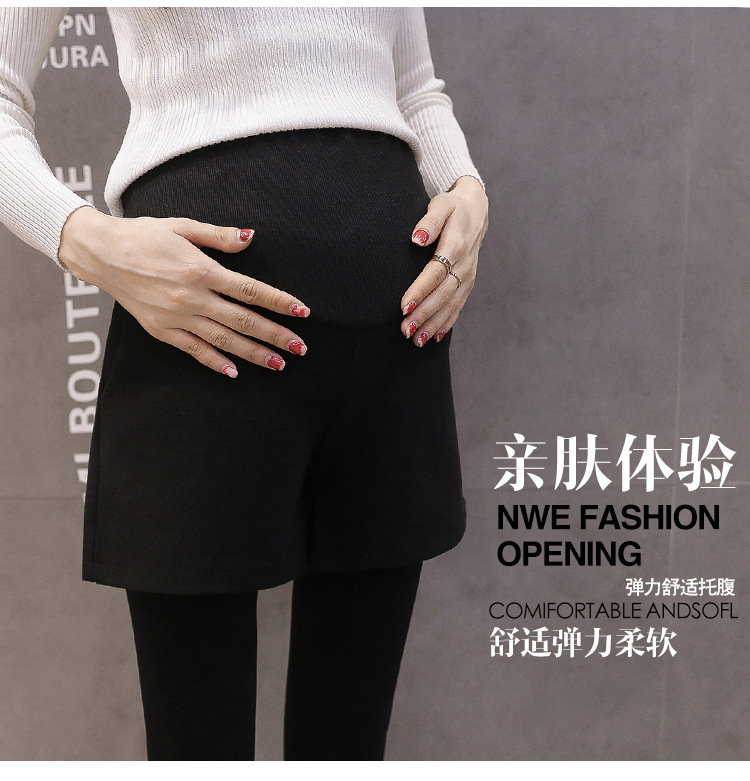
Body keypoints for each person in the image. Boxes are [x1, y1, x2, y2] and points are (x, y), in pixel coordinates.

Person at [0, 7, 489, 760]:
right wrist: (83, 236)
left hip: (393, 337)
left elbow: (415, 89)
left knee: (350, 748)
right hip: (198, 340)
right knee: (197, 748)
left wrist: (466, 187)